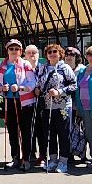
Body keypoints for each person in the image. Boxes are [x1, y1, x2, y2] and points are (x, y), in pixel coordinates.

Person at [0, 39, 37, 170]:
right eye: (11, 49)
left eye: (17, 49)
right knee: (12, 130)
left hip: (24, 102)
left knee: (25, 131)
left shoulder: (26, 64)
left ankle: (26, 159)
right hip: (8, 101)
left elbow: (32, 83)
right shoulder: (0, 65)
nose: (14, 51)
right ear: (7, 50)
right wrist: (1, 88)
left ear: (21, 51)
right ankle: (15, 158)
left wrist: (20, 88)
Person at [35, 44, 76, 172]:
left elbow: (74, 85)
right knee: (50, 134)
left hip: (63, 106)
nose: (52, 54)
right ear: (46, 55)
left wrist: (60, 91)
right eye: (49, 52)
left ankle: (63, 161)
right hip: (47, 107)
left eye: (55, 52)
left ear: (60, 54)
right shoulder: (42, 68)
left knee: (63, 134)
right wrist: (37, 89)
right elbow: (38, 83)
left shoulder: (65, 68)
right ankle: (52, 160)